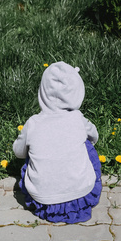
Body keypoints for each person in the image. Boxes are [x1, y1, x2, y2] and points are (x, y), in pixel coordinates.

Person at [13, 61, 102, 223]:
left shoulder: (33, 123)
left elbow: (18, 153)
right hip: (83, 195)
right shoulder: (78, 118)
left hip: (43, 200)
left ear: (43, 92)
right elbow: (95, 136)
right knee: (87, 144)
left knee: (30, 152)